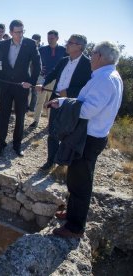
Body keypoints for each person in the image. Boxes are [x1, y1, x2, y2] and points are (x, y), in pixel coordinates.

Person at [47, 41, 123, 238]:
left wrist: (65, 106)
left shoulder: (105, 79)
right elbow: (84, 103)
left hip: (88, 138)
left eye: (93, 53)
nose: (90, 57)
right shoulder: (108, 76)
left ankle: (75, 227)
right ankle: (72, 214)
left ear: (100, 56)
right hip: (90, 136)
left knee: (80, 182)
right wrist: (62, 101)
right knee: (75, 176)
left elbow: (88, 109)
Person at [0, 20, 41, 157]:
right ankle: (1, 144)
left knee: (20, 117)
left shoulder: (30, 44)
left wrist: (31, 82)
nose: (20, 34)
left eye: (22, 31)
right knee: (4, 116)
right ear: (11, 33)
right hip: (6, 86)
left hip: (22, 86)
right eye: (17, 32)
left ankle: (17, 145)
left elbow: (37, 65)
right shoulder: (4, 44)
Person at [36, 34, 91, 171]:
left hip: (72, 104)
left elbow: (88, 85)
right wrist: (43, 84)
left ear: (79, 46)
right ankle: (50, 161)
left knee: (67, 133)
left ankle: (62, 162)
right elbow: (53, 73)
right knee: (53, 132)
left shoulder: (87, 64)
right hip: (55, 100)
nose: (66, 44)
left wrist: (69, 93)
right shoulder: (64, 60)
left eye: (70, 42)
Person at [30, 30, 67, 128]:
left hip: (56, 80)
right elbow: (35, 62)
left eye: (52, 38)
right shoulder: (42, 49)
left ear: (57, 38)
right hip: (43, 78)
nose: (50, 40)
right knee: (40, 100)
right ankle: (36, 120)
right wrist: (39, 69)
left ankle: (50, 122)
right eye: (48, 38)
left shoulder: (64, 50)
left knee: (52, 101)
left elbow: (67, 64)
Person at [27, 33, 41, 112]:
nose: (35, 42)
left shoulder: (41, 50)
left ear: (39, 41)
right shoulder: (28, 49)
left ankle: (32, 108)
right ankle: (26, 106)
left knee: (34, 92)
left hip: (37, 74)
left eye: (36, 41)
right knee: (27, 91)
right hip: (28, 73)